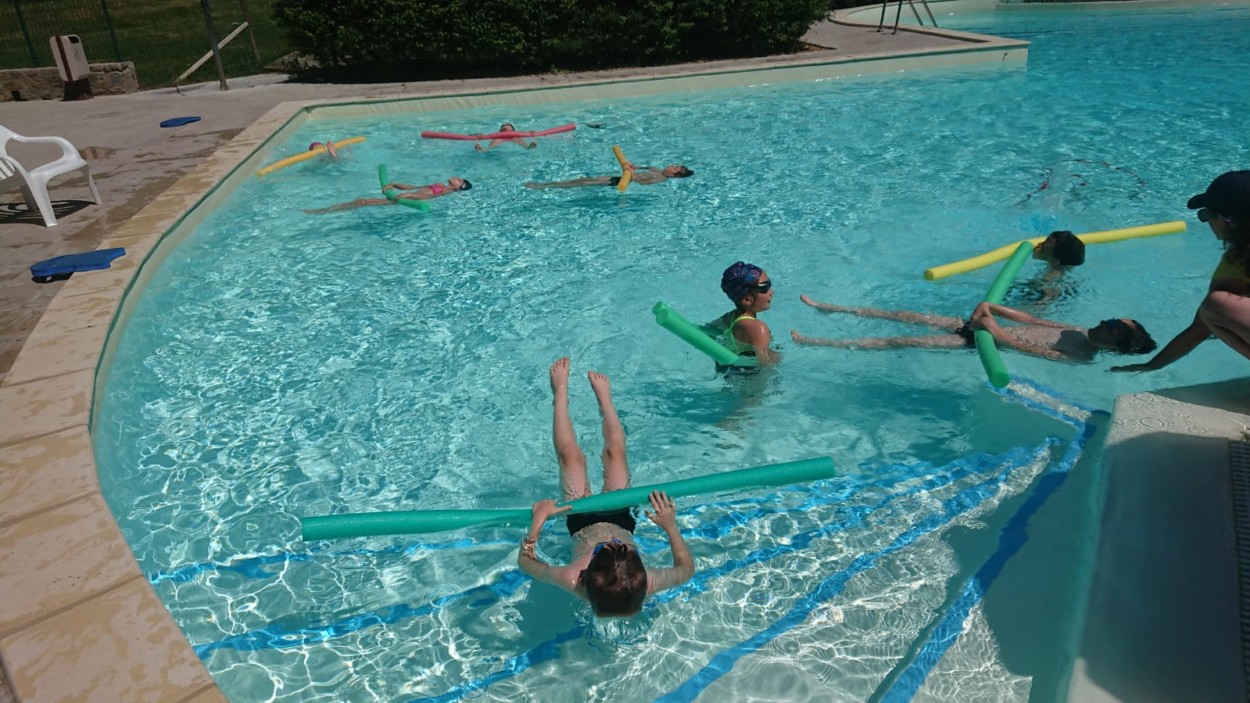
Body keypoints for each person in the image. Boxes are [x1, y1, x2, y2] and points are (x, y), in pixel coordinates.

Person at [518, 358, 694, 617]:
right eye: (620, 547)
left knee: (571, 457)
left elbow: (526, 562)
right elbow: (686, 569)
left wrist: (538, 522)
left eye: (603, 549)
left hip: (581, 520)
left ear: (585, 574)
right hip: (622, 519)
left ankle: (560, 396)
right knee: (615, 453)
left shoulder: (570, 578)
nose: (611, 541)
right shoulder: (645, 582)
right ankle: (606, 404)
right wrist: (670, 526)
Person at [1113, 170, 1250, 371]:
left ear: (1226, 220)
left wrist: (1151, 366)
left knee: (1216, 305)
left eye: (1206, 214)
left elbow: (1201, 327)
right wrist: (1152, 365)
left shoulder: (1237, 261)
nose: (1207, 222)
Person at [791, 295, 1157, 362]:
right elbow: (1031, 322)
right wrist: (993, 308)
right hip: (983, 325)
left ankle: (820, 342)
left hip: (980, 342)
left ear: (1114, 342)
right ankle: (831, 308)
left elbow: (1022, 346)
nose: (1103, 321)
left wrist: (989, 326)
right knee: (903, 314)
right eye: (1110, 318)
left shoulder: (1080, 354)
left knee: (899, 340)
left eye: (1110, 325)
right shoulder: (1076, 328)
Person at [701, 261, 780, 367]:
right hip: (750, 379)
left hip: (733, 375)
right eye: (765, 287)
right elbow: (766, 368)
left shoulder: (730, 317)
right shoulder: (758, 328)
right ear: (747, 299)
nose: (772, 291)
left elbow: (706, 331)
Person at [304, 177, 472, 213]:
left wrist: (407, 196)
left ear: (459, 188)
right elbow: (415, 186)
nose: (457, 177)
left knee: (361, 202)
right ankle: (325, 210)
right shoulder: (440, 185)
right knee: (360, 201)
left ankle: (323, 211)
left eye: (460, 180)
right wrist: (395, 185)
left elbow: (427, 197)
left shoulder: (446, 191)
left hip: (403, 200)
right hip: (404, 196)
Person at [524, 164, 694, 189]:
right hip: (618, 176)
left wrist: (632, 173)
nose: (671, 165)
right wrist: (633, 166)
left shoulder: (660, 178)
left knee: (580, 183)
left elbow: (641, 182)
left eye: (675, 167)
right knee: (581, 180)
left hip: (619, 182)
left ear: (675, 176)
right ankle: (546, 184)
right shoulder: (657, 169)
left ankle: (543, 186)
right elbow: (643, 167)